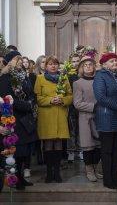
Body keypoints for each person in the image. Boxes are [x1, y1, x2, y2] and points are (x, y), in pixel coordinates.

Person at [0, 51, 38, 190]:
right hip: (14, 118)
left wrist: (32, 101)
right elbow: (8, 99)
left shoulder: (23, 76)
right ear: (9, 62)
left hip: (26, 118)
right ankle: (15, 178)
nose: (21, 61)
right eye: (17, 59)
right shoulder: (5, 78)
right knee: (18, 151)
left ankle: (20, 177)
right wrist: (27, 105)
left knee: (25, 152)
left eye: (21, 59)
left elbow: (31, 92)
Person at [34, 55, 73, 183]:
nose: (53, 66)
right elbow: (38, 98)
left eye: (55, 64)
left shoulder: (64, 78)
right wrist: (50, 100)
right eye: (50, 64)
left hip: (60, 114)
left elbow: (70, 96)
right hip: (46, 115)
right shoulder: (40, 79)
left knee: (58, 144)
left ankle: (57, 173)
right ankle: (49, 173)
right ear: (45, 66)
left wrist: (62, 100)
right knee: (48, 144)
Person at [93, 52, 117, 189]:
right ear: (104, 64)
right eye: (111, 61)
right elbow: (101, 97)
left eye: (115, 61)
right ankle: (108, 180)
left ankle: (114, 177)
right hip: (107, 118)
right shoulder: (100, 77)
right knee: (107, 151)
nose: (115, 63)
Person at [73, 56, 102, 182]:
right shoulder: (78, 83)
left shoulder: (100, 81)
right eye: (85, 65)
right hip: (86, 118)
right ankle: (89, 170)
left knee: (99, 146)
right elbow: (77, 103)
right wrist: (94, 106)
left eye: (90, 64)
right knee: (88, 146)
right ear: (81, 68)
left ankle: (96, 169)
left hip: (101, 117)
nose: (88, 66)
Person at [66, 53, 81, 163]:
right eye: (73, 61)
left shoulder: (82, 73)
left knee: (82, 129)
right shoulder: (67, 75)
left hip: (81, 105)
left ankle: (80, 150)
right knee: (72, 130)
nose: (75, 63)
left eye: (77, 61)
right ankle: (71, 151)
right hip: (71, 106)